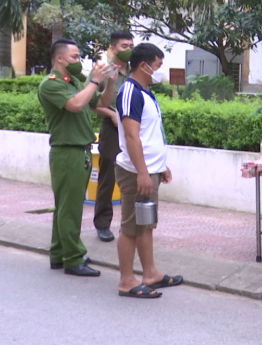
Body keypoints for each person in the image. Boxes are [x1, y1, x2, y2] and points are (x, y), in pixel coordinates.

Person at [38, 39, 117, 276]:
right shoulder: (50, 84)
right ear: (59, 58)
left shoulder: (71, 82)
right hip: (66, 151)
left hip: (79, 151)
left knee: (65, 207)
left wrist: (109, 82)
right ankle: (72, 259)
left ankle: (59, 253)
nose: (78, 61)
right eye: (74, 56)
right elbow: (75, 105)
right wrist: (93, 80)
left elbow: (99, 103)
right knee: (70, 208)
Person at [113, 43, 182, 298]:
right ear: (144, 66)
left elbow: (150, 135)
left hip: (149, 169)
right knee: (131, 226)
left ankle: (150, 273)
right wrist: (142, 172)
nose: (159, 71)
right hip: (134, 172)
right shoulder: (130, 92)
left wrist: (158, 166)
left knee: (146, 224)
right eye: (157, 66)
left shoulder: (145, 92)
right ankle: (126, 281)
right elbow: (131, 137)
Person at [91, 30, 134, 243]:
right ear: (113, 48)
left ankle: (133, 224)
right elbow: (93, 105)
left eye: (130, 46)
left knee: (135, 176)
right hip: (111, 129)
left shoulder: (136, 71)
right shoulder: (103, 72)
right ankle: (102, 224)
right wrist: (110, 114)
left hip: (133, 130)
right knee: (107, 178)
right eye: (124, 46)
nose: (128, 50)